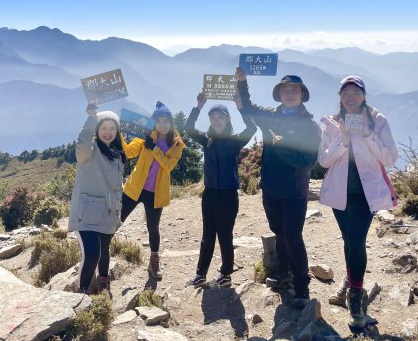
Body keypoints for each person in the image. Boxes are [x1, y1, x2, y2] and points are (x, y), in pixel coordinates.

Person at [318, 75, 397, 330]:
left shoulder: (377, 121)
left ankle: (355, 304)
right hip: (340, 195)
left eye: (356, 92)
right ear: (340, 96)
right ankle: (354, 289)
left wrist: (367, 134)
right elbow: (324, 161)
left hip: (365, 194)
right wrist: (342, 140)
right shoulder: (332, 123)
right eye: (345, 92)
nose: (350, 97)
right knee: (350, 242)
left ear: (363, 96)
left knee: (357, 241)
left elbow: (390, 158)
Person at [236, 68, 321, 305]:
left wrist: (283, 148)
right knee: (278, 232)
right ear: (280, 94)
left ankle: (302, 287)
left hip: (294, 191)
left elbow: (308, 161)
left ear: (302, 95)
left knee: (293, 237)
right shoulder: (271, 116)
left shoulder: (310, 126)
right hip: (271, 188)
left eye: (295, 90)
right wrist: (242, 83)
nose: (290, 93)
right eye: (286, 90)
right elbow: (249, 106)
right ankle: (283, 274)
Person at [184, 93, 256, 288]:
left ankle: (226, 274)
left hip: (228, 195)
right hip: (209, 194)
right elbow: (188, 128)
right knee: (207, 235)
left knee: (225, 235)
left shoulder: (235, 141)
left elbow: (252, 128)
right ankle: (200, 274)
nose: (216, 121)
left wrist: (240, 106)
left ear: (227, 120)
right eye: (213, 118)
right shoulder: (207, 140)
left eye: (221, 117)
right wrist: (198, 106)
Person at [121, 101, 185, 280]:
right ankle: (101, 258)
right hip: (135, 187)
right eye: (159, 121)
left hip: (156, 193)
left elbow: (168, 165)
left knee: (153, 227)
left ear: (171, 123)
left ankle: (154, 263)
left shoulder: (177, 144)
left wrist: (156, 149)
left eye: (167, 121)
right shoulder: (145, 136)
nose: (163, 125)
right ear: (154, 123)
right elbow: (128, 152)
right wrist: (117, 131)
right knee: (116, 220)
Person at [68, 104, 126, 294]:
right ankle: (82, 294)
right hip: (87, 214)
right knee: (92, 255)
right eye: (103, 128)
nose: (107, 133)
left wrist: (118, 213)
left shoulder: (117, 154)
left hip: (108, 213)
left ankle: (103, 283)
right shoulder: (89, 152)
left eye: (112, 129)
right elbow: (82, 144)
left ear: (116, 132)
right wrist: (90, 119)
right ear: (97, 130)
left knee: (104, 250)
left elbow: (117, 187)